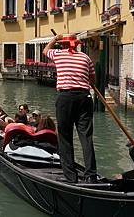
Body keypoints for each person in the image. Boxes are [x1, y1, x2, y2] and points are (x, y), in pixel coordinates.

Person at [43, 33, 99, 184]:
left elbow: (45, 50)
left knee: (65, 137)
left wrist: (55, 39)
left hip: (66, 98)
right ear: (77, 44)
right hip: (84, 97)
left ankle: (71, 176)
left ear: (63, 45)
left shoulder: (58, 54)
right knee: (86, 137)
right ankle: (91, 175)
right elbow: (92, 79)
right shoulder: (85, 58)